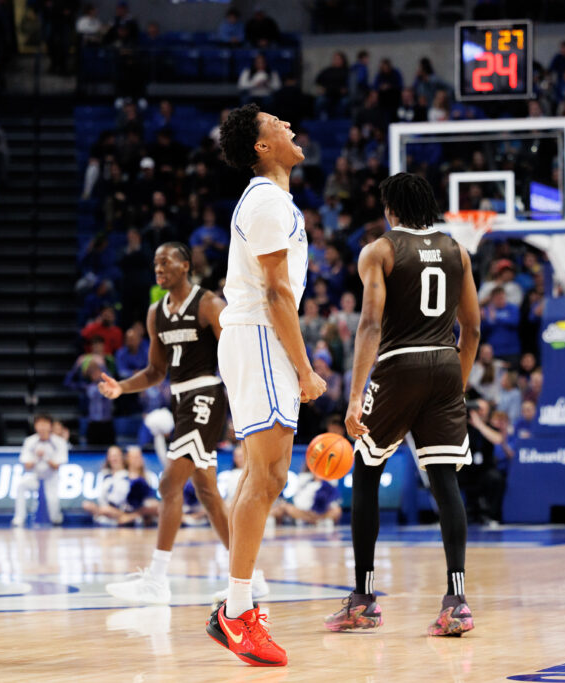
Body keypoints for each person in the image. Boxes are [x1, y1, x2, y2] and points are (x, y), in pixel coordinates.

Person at [327, 171, 481, 636]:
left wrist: (355, 395)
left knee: (367, 472)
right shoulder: (459, 251)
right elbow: (471, 329)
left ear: (390, 209)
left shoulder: (380, 249)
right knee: (444, 481)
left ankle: (363, 600)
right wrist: (460, 383)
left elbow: (370, 325)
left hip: (400, 367)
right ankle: (456, 602)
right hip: (446, 364)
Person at [203, 104, 326, 667]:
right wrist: (304, 369)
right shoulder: (268, 201)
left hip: (254, 338)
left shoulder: (271, 200)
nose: (290, 127)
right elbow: (277, 295)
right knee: (270, 475)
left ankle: (236, 603)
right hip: (258, 337)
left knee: (260, 474)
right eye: (278, 123)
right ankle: (236, 613)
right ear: (260, 146)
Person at [100, 242, 243, 604]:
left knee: (168, 484)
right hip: (180, 399)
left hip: (206, 396)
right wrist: (121, 387)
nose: (158, 268)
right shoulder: (155, 313)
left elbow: (236, 353)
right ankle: (248, 576)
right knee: (208, 494)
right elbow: (155, 371)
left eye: (165, 262)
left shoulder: (208, 303)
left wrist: (240, 407)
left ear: (184, 265)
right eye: (155, 263)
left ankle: (157, 580)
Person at [12, 414, 68, 527]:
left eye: (45, 424)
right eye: (39, 424)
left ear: (50, 426)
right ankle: (19, 517)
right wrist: (37, 457)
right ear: (35, 426)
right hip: (35, 476)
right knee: (21, 486)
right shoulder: (29, 441)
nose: (42, 427)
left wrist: (46, 457)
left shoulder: (59, 442)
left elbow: (57, 466)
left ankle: (56, 518)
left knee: (54, 512)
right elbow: (27, 466)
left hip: (51, 477)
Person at [83, 445, 129, 525]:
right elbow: (102, 498)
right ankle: (101, 512)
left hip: (123, 511)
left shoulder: (129, 476)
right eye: (111, 456)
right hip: (106, 512)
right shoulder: (105, 476)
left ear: (122, 457)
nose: (114, 459)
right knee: (86, 505)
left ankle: (104, 512)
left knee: (107, 509)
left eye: (116, 456)